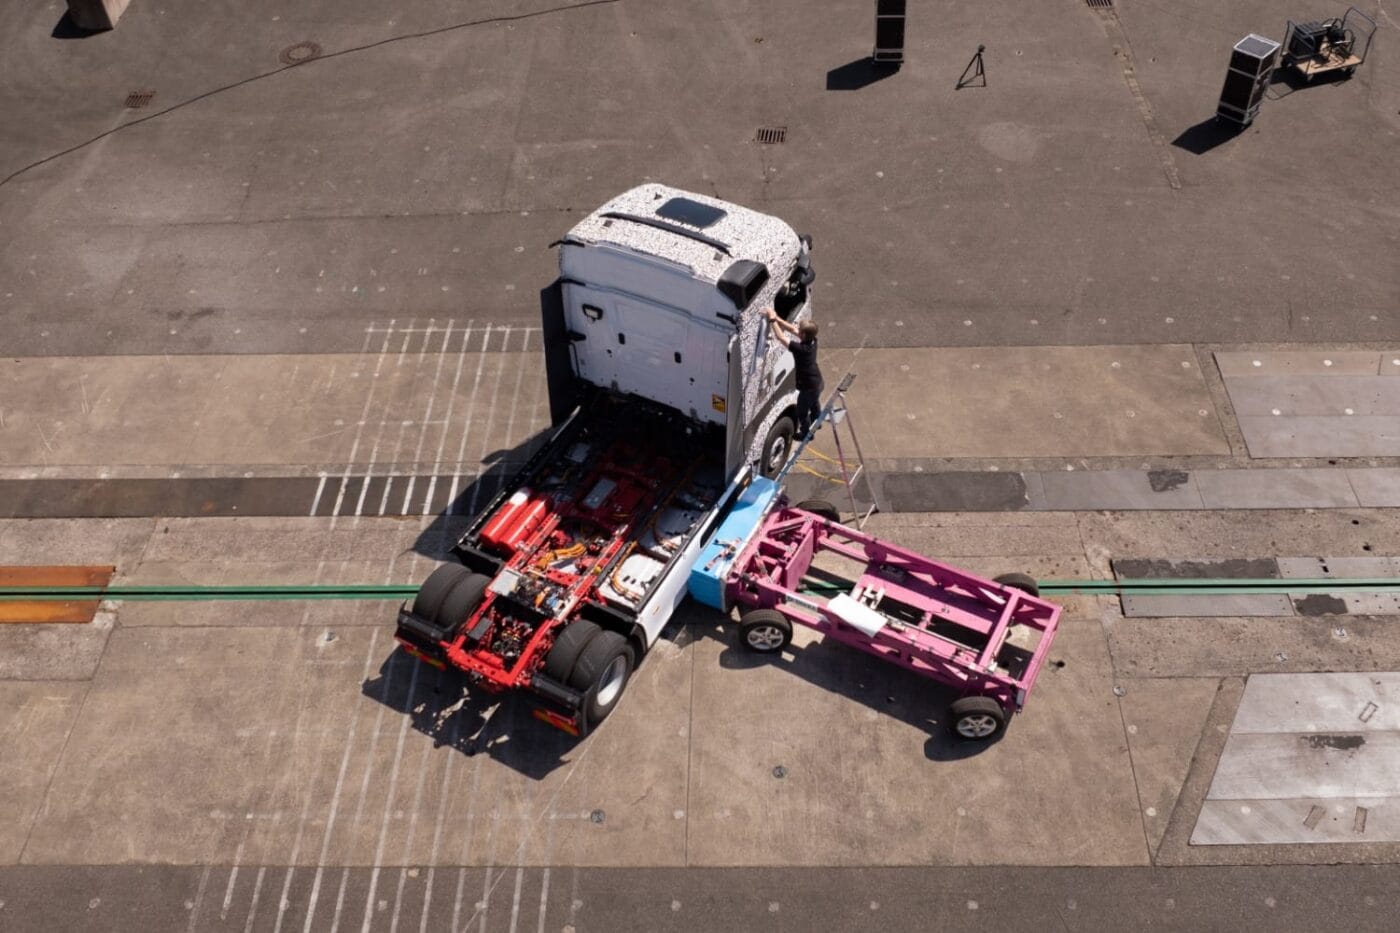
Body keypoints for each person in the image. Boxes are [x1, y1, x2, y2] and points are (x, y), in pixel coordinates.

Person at [764, 307, 823, 439]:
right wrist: (777, 318)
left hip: (808, 387)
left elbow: (781, 337)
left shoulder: (801, 349)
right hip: (817, 382)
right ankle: (817, 421)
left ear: (803, 335)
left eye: (800, 330)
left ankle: (806, 433)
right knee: (814, 403)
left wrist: (772, 319)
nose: (797, 328)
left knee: (802, 412)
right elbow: (792, 329)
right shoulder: (813, 340)